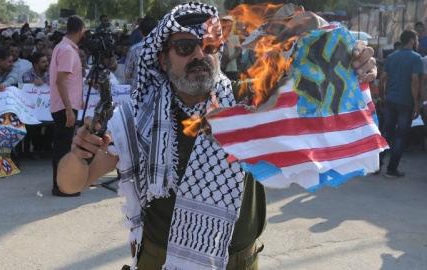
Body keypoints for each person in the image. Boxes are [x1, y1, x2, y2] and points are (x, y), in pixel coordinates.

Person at [56, 3, 377, 269]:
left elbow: (318, 92)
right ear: (163, 59)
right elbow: (70, 183)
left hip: (240, 261)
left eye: (207, 45)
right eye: (185, 47)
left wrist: (351, 60)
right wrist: (79, 154)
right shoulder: (137, 118)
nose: (198, 55)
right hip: (163, 261)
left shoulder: (251, 102)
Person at [378, 29, 424, 177]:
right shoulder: (416, 58)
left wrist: (382, 97)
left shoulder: (392, 57)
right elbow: (415, 83)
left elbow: (383, 78)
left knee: (387, 132)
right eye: (416, 40)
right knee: (400, 136)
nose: (417, 42)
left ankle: (376, 165)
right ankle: (391, 170)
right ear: (411, 40)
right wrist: (416, 105)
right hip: (406, 103)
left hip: (391, 100)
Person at [49, 15, 86, 197]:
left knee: (61, 146)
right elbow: (60, 81)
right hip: (65, 107)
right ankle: (61, 186)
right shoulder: (68, 51)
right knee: (62, 148)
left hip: (65, 105)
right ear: (81, 31)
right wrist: (70, 109)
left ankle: (60, 184)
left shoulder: (62, 47)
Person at [125, 16, 157, 93]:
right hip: (158, 94)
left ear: (141, 32)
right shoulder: (164, 48)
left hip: (138, 94)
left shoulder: (134, 49)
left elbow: (127, 74)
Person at [220, 16, 242, 81]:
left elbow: (239, 50)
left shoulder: (234, 37)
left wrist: (231, 58)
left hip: (231, 67)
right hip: (221, 68)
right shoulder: (219, 37)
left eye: (230, 24)